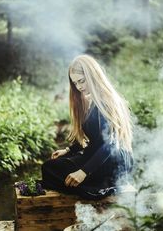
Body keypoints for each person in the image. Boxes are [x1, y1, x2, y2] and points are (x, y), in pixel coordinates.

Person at [41, 54, 134, 200]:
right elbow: (95, 138)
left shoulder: (106, 102)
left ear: (92, 75)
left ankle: (102, 187)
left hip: (113, 161)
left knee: (50, 169)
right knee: (51, 167)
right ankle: (94, 186)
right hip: (99, 154)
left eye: (81, 81)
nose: (79, 87)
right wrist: (69, 150)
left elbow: (110, 144)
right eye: (75, 83)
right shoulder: (93, 101)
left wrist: (83, 172)